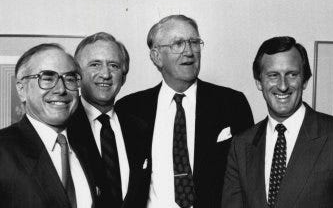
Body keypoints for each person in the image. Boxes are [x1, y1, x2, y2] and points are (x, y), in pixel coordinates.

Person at [116, 14, 254, 208]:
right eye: (178, 43)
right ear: (156, 56)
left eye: (194, 42)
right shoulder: (129, 109)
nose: (189, 51)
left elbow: (248, 178)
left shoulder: (232, 103)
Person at [221, 36, 333, 208]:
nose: (283, 86)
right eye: (273, 75)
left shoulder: (331, 135)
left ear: (304, 81)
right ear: (259, 82)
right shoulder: (241, 145)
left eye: (292, 75)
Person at [0, 43, 99, 208]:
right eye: (47, 78)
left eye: (70, 79)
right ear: (21, 89)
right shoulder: (3, 150)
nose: (61, 89)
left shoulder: (86, 148)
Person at [67, 32, 150, 208]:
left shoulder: (140, 128)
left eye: (114, 65)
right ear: (77, 76)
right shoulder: (64, 127)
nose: (105, 74)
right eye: (95, 64)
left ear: (124, 77)